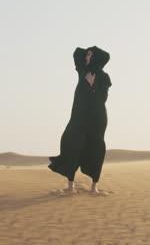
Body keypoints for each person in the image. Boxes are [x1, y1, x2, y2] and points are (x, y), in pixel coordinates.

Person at [48, 46, 112, 193]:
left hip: (96, 118)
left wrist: (92, 85)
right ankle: (70, 185)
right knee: (70, 144)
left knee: (95, 148)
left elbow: (102, 99)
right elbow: (77, 52)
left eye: (90, 55)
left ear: (95, 58)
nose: (86, 57)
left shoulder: (104, 77)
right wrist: (89, 51)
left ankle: (94, 186)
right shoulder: (83, 71)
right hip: (78, 117)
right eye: (87, 54)